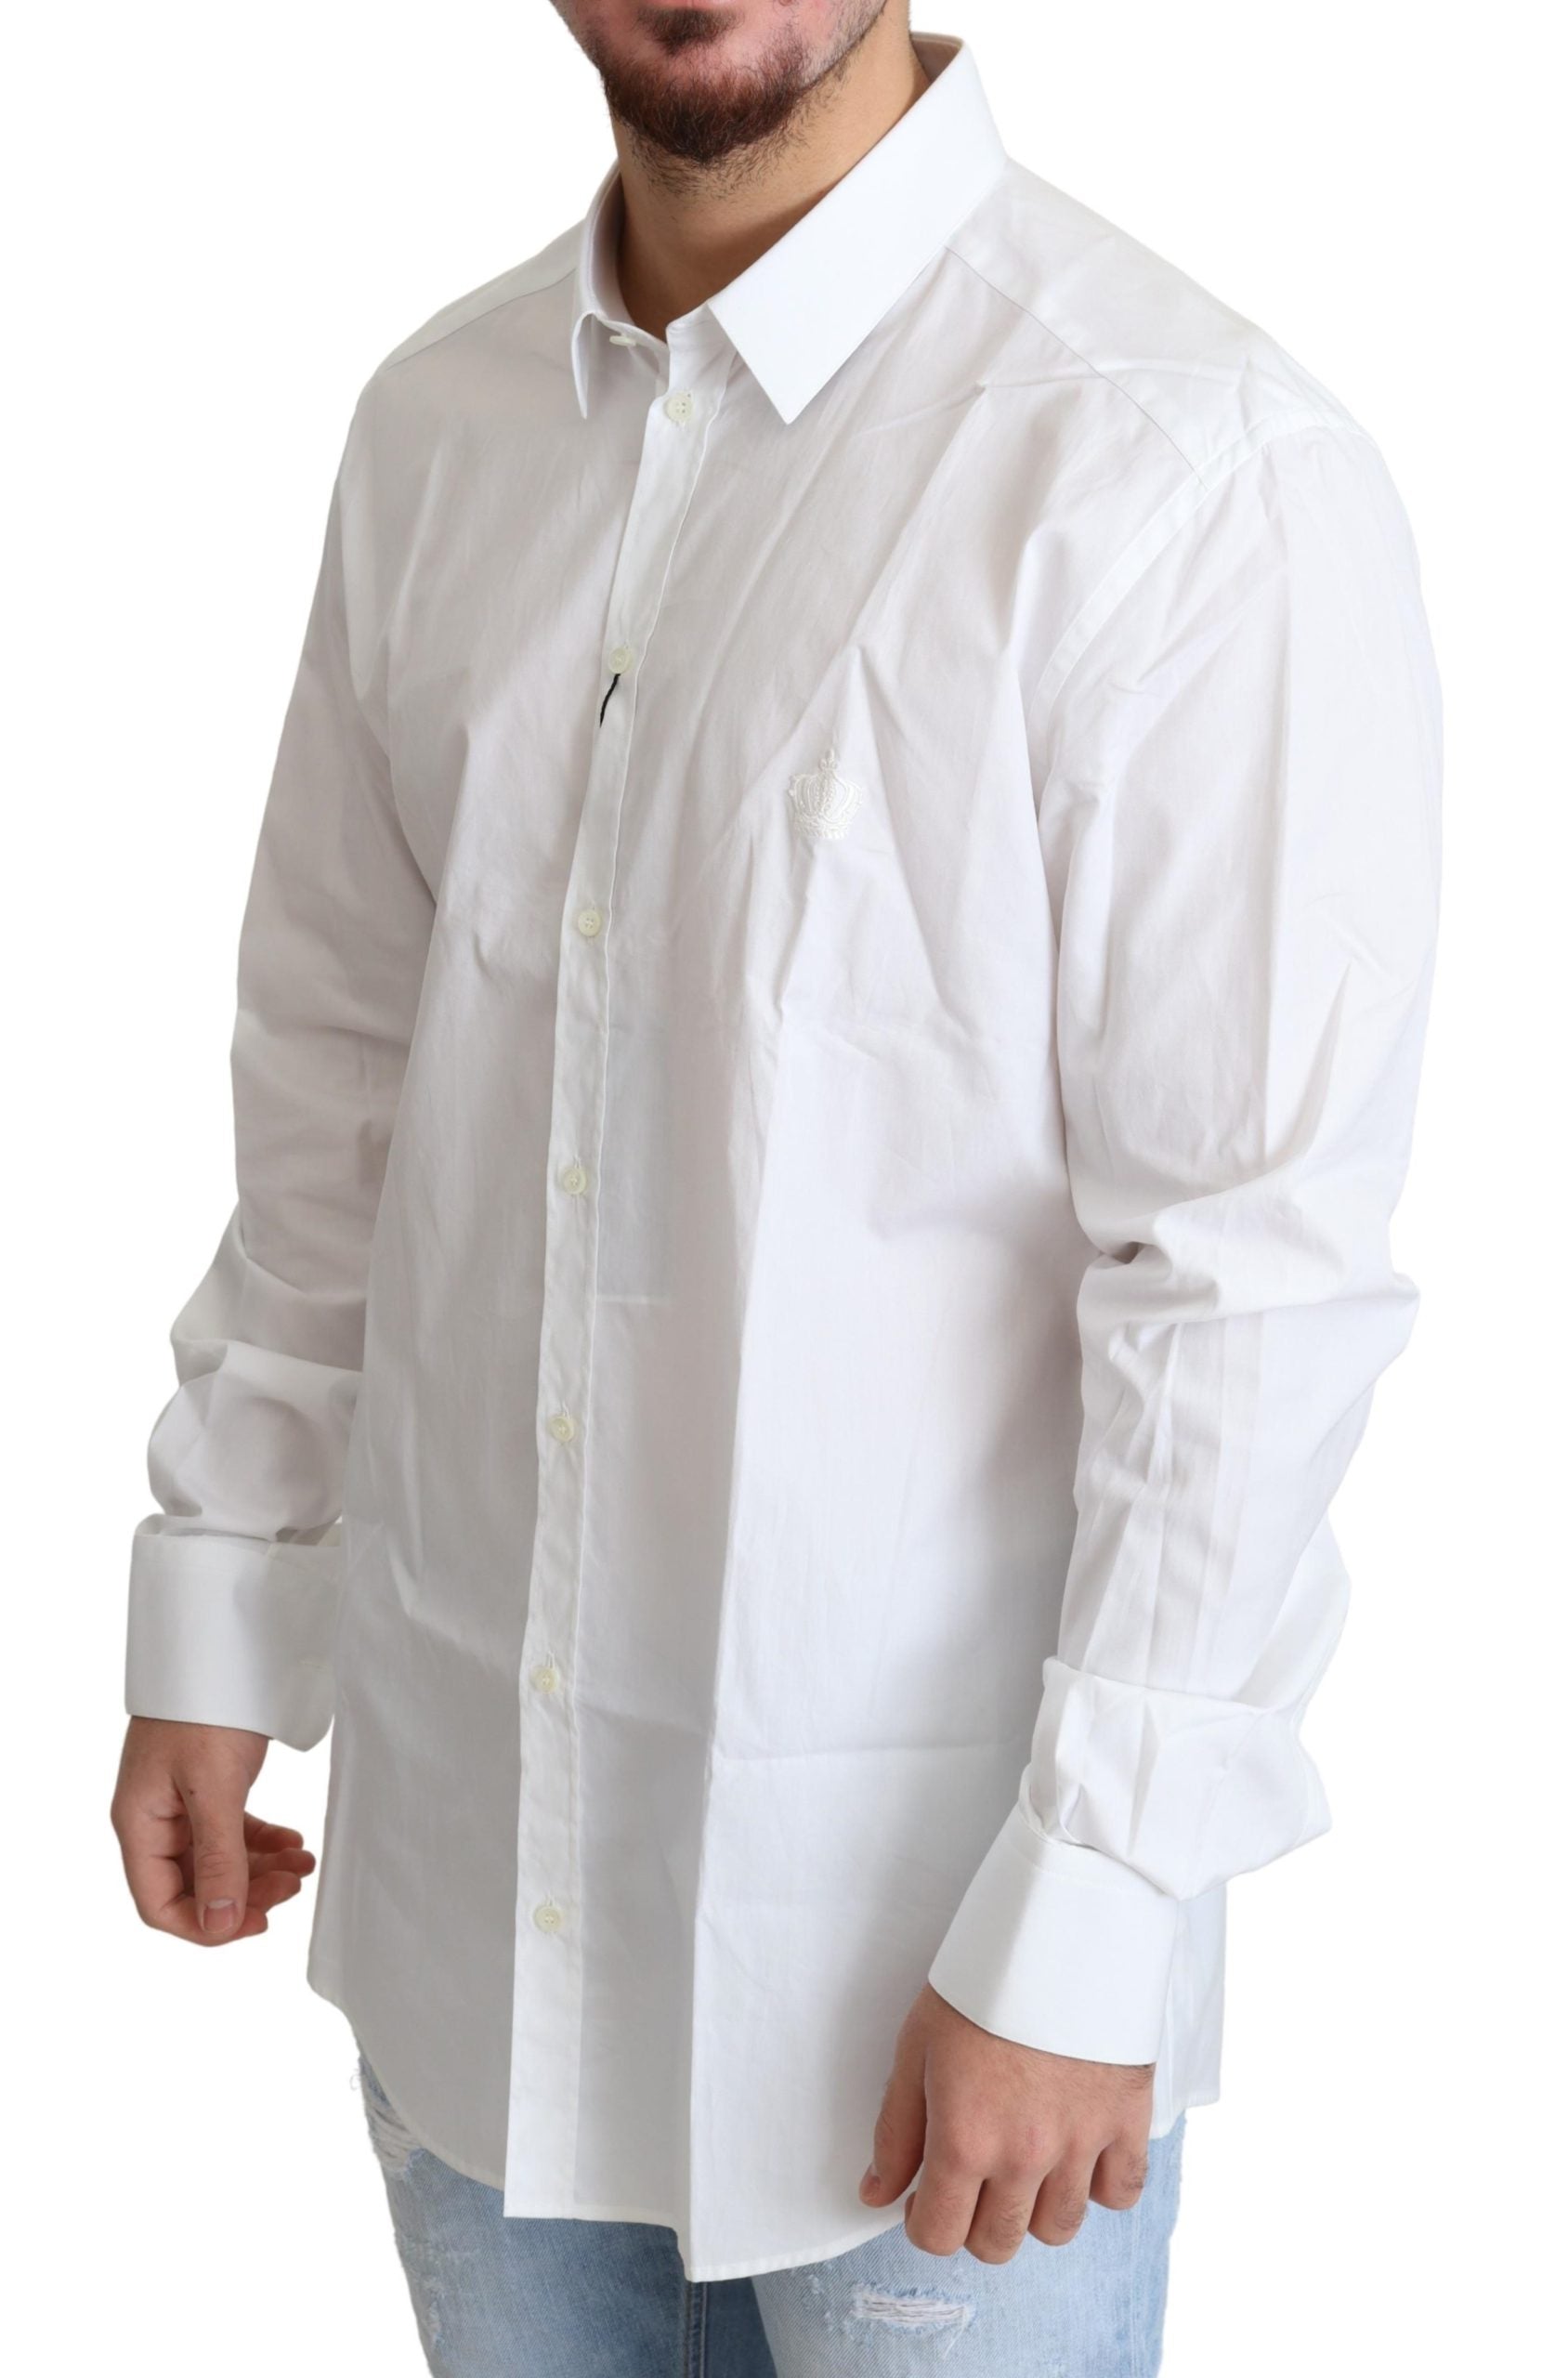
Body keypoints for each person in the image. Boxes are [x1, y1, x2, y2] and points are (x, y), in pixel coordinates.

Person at [111, 7, 1442, 2371]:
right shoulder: (436, 431)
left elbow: (1241, 1277)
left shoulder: (1176, 462)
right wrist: (227, 1587)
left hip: (927, 1975)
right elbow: (337, 1081)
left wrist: (1097, 1892)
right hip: (472, 1914)